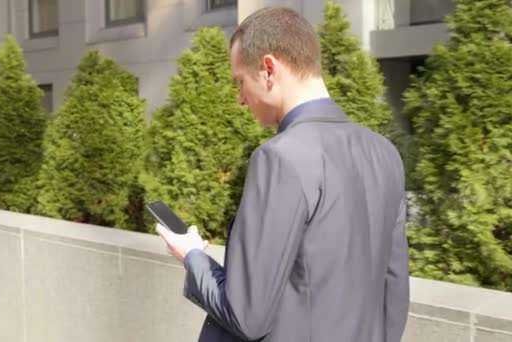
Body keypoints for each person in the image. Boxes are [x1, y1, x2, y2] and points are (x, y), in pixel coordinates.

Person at [156, 6, 409, 342]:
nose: (241, 99)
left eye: (241, 82)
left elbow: (246, 316)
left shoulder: (279, 158)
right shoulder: (385, 153)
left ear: (269, 69)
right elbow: (395, 298)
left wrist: (192, 257)